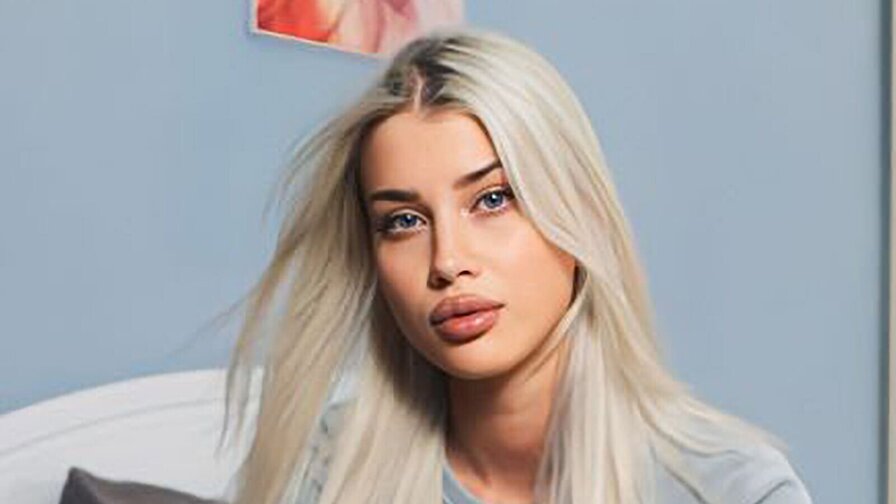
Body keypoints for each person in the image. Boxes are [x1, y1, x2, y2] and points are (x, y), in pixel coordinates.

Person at [216, 25, 814, 504]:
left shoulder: (732, 489)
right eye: (404, 221)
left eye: (493, 199)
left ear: (579, 211)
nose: (448, 261)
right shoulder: (327, 468)